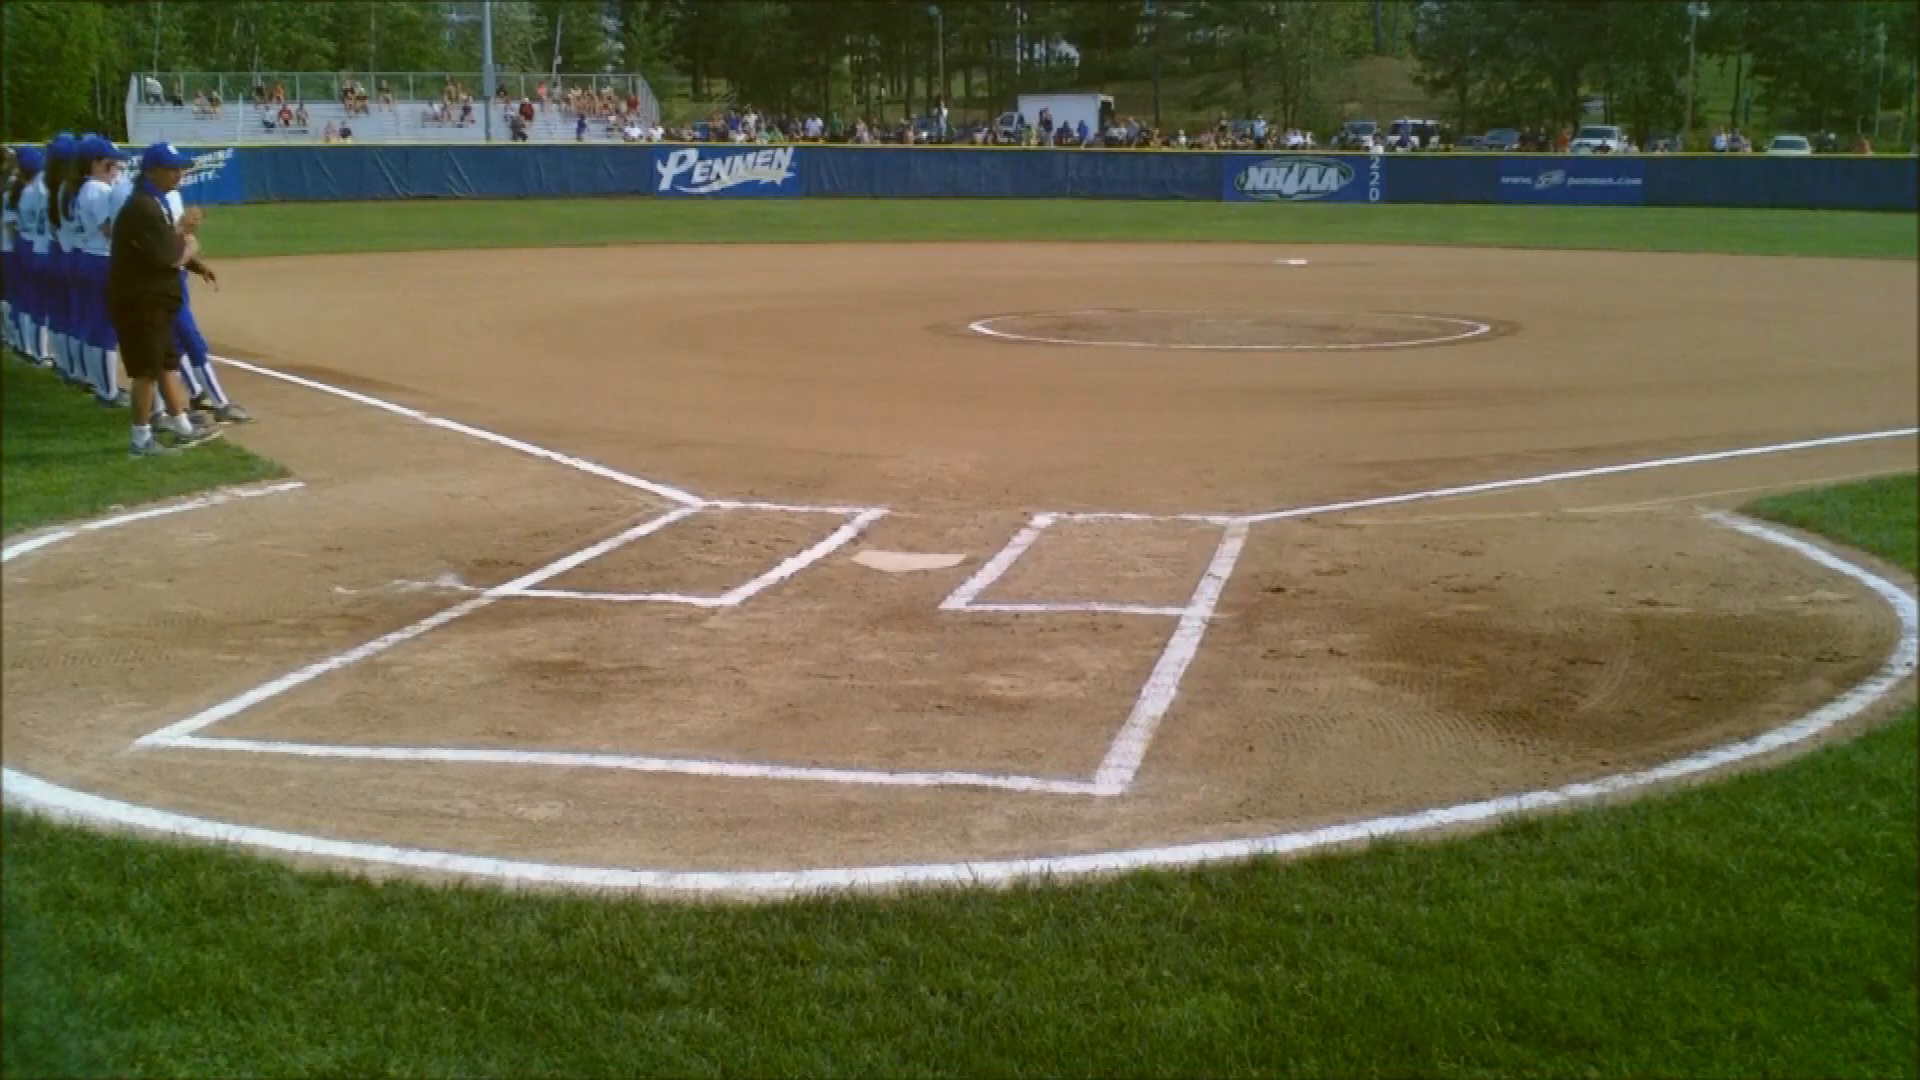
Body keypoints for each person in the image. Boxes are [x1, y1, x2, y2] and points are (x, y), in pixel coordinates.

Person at [107, 143, 219, 456]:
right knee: (145, 370)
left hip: (155, 300)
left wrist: (195, 265)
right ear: (152, 171)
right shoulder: (143, 206)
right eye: (172, 168)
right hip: (142, 301)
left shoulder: (153, 203)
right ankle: (140, 440)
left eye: (180, 168)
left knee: (167, 363)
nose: (178, 174)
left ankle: (182, 426)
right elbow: (170, 257)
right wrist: (188, 238)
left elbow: (163, 246)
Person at [74, 136, 131, 406]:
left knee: (96, 326)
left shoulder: (88, 188)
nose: (116, 169)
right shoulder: (97, 190)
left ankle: (101, 387)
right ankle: (108, 392)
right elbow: (109, 230)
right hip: (101, 259)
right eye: (111, 163)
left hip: (91, 257)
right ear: (96, 163)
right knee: (106, 329)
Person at [13, 145, 51, 364]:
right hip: (34, 244)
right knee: (35, 301)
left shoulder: (26, 188)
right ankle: (37, 351)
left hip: (26, 241)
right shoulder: (38, 188)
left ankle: (27, 346)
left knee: (27, 298)